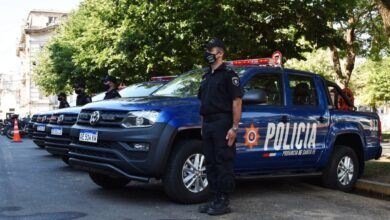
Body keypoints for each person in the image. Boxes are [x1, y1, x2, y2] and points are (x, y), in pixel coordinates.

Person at [197, 38, 243, 215]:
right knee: (210, 162)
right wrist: (202, 125)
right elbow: (203, 103)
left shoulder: (229, 75)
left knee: (222, 161)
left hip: (223, 123)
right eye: (207, 50)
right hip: (208, 123)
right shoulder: (206, 76)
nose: (207, 53)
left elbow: (237, 102)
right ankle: (214, 198)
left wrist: (234, 128)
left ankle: (223, 201)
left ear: (220, 53)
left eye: (211, 50)